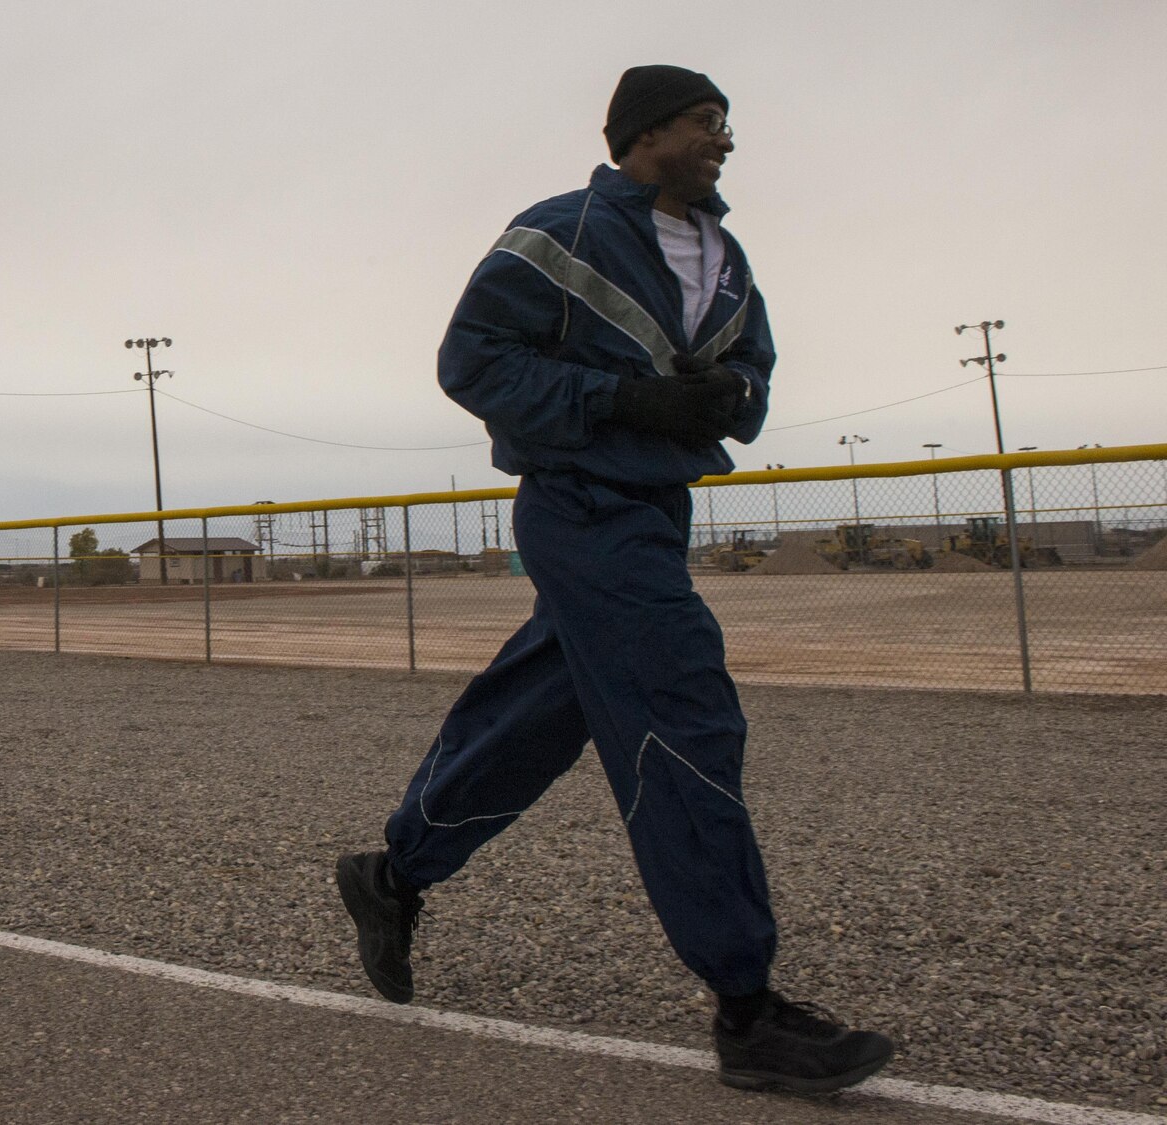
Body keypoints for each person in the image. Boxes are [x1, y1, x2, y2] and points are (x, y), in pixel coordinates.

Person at [334, 66, 895, 1094]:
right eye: (703, 123)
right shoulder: (559, 232)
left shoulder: (723, 259)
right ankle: (745, 1008)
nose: (723, 141)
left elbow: (754, 371)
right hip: (577, 508)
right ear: (644, 134)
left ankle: (391, 874)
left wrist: (727, 393)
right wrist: (621, 402)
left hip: (653, 514)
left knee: (541, 715)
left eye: (725, 124)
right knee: (682, 715)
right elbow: (471, 362)